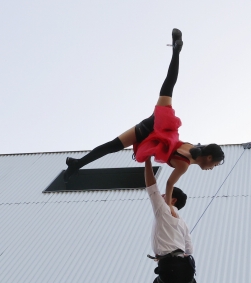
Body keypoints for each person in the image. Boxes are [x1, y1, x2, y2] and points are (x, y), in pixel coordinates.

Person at [63, 28, 225, 217]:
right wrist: (168, 207)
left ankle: (176, 51)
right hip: (152, 133)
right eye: (214, 165)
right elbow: (169, 184)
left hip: (156, 123)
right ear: (209, 158)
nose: (211, 169)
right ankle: (76, 164)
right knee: (112, 146)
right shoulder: (184, 165)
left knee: (168, 86)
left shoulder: (192, 147)